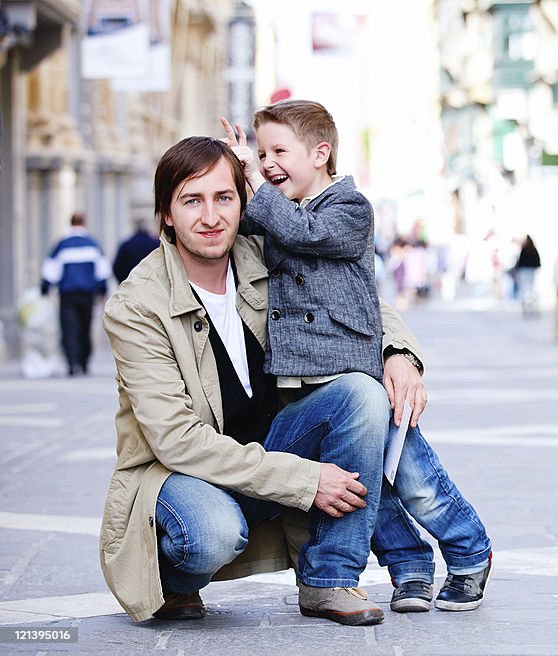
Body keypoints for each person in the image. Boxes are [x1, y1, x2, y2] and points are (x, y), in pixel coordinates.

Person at [102, 137, 428, 625]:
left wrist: (397, 351)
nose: (211, 217)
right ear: (166, 214)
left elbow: (351, 297)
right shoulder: (136, 306)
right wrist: (306, 480)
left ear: (243, 202)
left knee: (360, 394)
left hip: (266, 448)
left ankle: (329, 579)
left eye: (224, 198)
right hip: (174, 473)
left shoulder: (262, 254)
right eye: (192, 200)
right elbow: (177, 441)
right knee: (211, 531)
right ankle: (171, 579)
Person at [221, 100, 491, 614]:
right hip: (306, 386)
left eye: (280, 150)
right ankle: (411, 568)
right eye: (261, 152)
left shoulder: (349, 208)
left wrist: (254, 176)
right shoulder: (281, 210)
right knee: (365, 486)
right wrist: (233, 171)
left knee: (412, 479)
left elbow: (305, 235)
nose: (268, 161)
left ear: (321, 153)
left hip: (355, 371)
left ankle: (470, 550)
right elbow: (239, 223)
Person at [41, 212, 111, 376]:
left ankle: (72, 363)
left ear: (70, 223)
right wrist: (102, 290)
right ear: (84, 223)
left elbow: (51, 269)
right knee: (85, 328)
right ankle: (84, 362)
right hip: (87, 294)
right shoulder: (93, 244)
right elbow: (102, 270)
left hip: (67, 294)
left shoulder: (62, 245)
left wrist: (45, 288)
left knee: (69, 328)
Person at [112, 218, 160, 283]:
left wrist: (124, 281)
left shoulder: (126, 245)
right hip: (151, 283)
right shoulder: (156, 244)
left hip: (131, 284)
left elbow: (117, 268)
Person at [515, 235, 541, 316]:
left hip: (525, 272)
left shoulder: (525, 249)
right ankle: (530, 306)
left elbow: (520, 263)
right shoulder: (533, 249)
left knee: (526, 290)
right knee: (530, 289)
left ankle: (528, 306)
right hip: (530, 272)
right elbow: (537, 262)